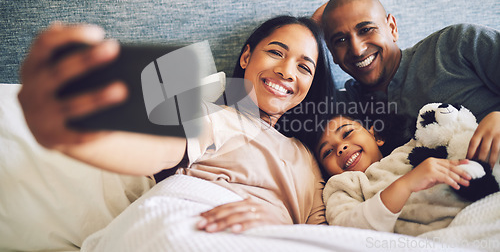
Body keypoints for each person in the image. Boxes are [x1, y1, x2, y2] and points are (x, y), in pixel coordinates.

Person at [18, 15, 336, 234]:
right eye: (276, 52)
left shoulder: (309, 160)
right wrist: (73, 135)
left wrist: (279, 226)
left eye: (304, 67)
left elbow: (326, 238)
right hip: (205, 227)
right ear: (246, 57)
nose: (286, 71)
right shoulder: (217, 115)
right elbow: (161, 148)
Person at [312, 0, 500, 169]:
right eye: (341, 40)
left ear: (392, 28)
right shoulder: (343, 109)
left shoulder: (455, 44)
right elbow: (286, 107)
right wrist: (310, 32)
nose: (357, 49)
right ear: (332, 53)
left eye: (366, 29)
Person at [314, 112, 474, 236]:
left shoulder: (412, 147)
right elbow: (346, 233)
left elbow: (458, 136)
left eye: (347, 133)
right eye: (327, 152)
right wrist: (405, 185)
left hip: (474, 209)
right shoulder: (343, 186)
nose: (340, 148)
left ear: (376, 136)